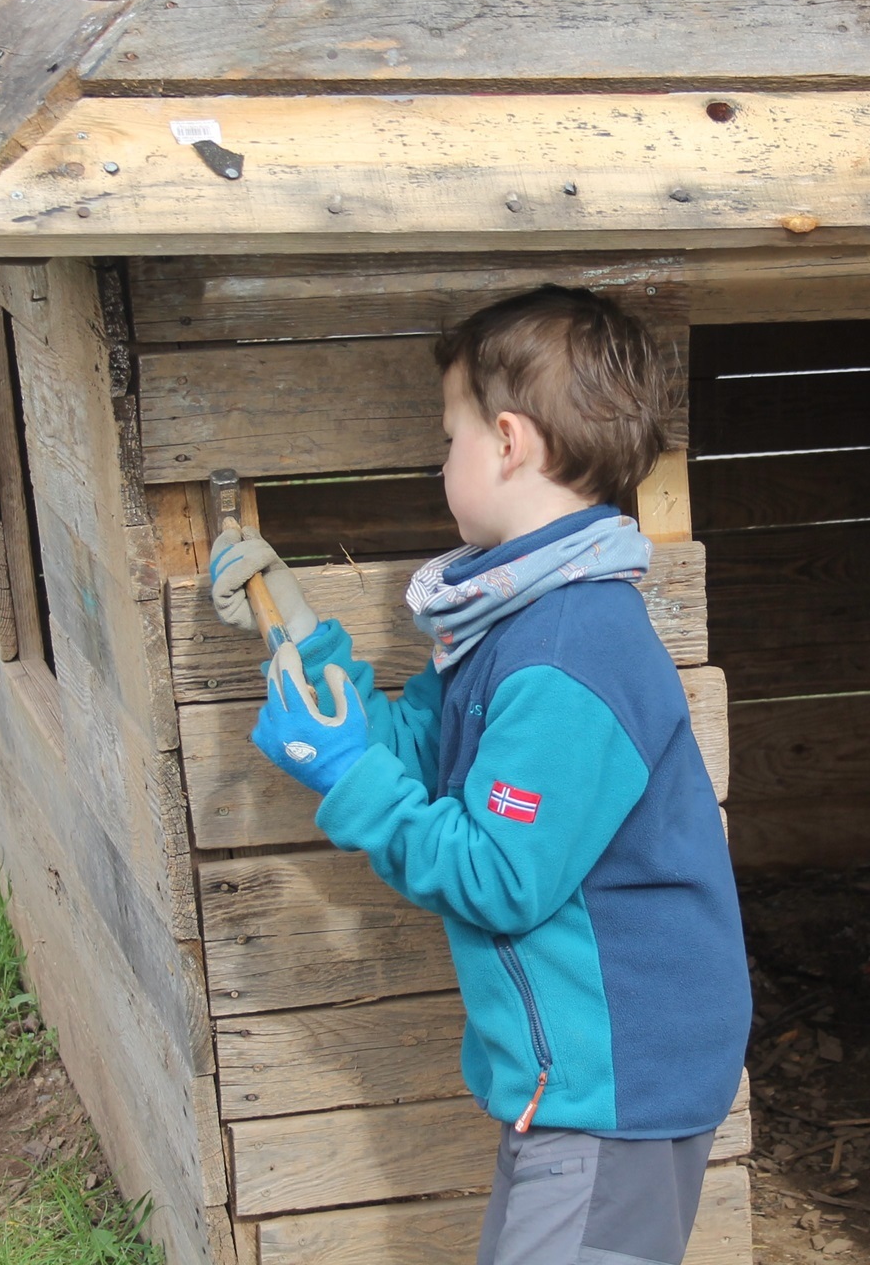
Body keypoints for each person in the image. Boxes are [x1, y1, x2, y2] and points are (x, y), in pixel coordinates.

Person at [206, 285, 750, 1265]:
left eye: (446, 439)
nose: (440, 462)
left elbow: (500, 874)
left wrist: (346, 777)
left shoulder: (568, 647)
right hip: (582, 1070)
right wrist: (296, 638)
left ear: (507, 442)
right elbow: (415, 748)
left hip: (614, 1076)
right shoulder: (516, 617)